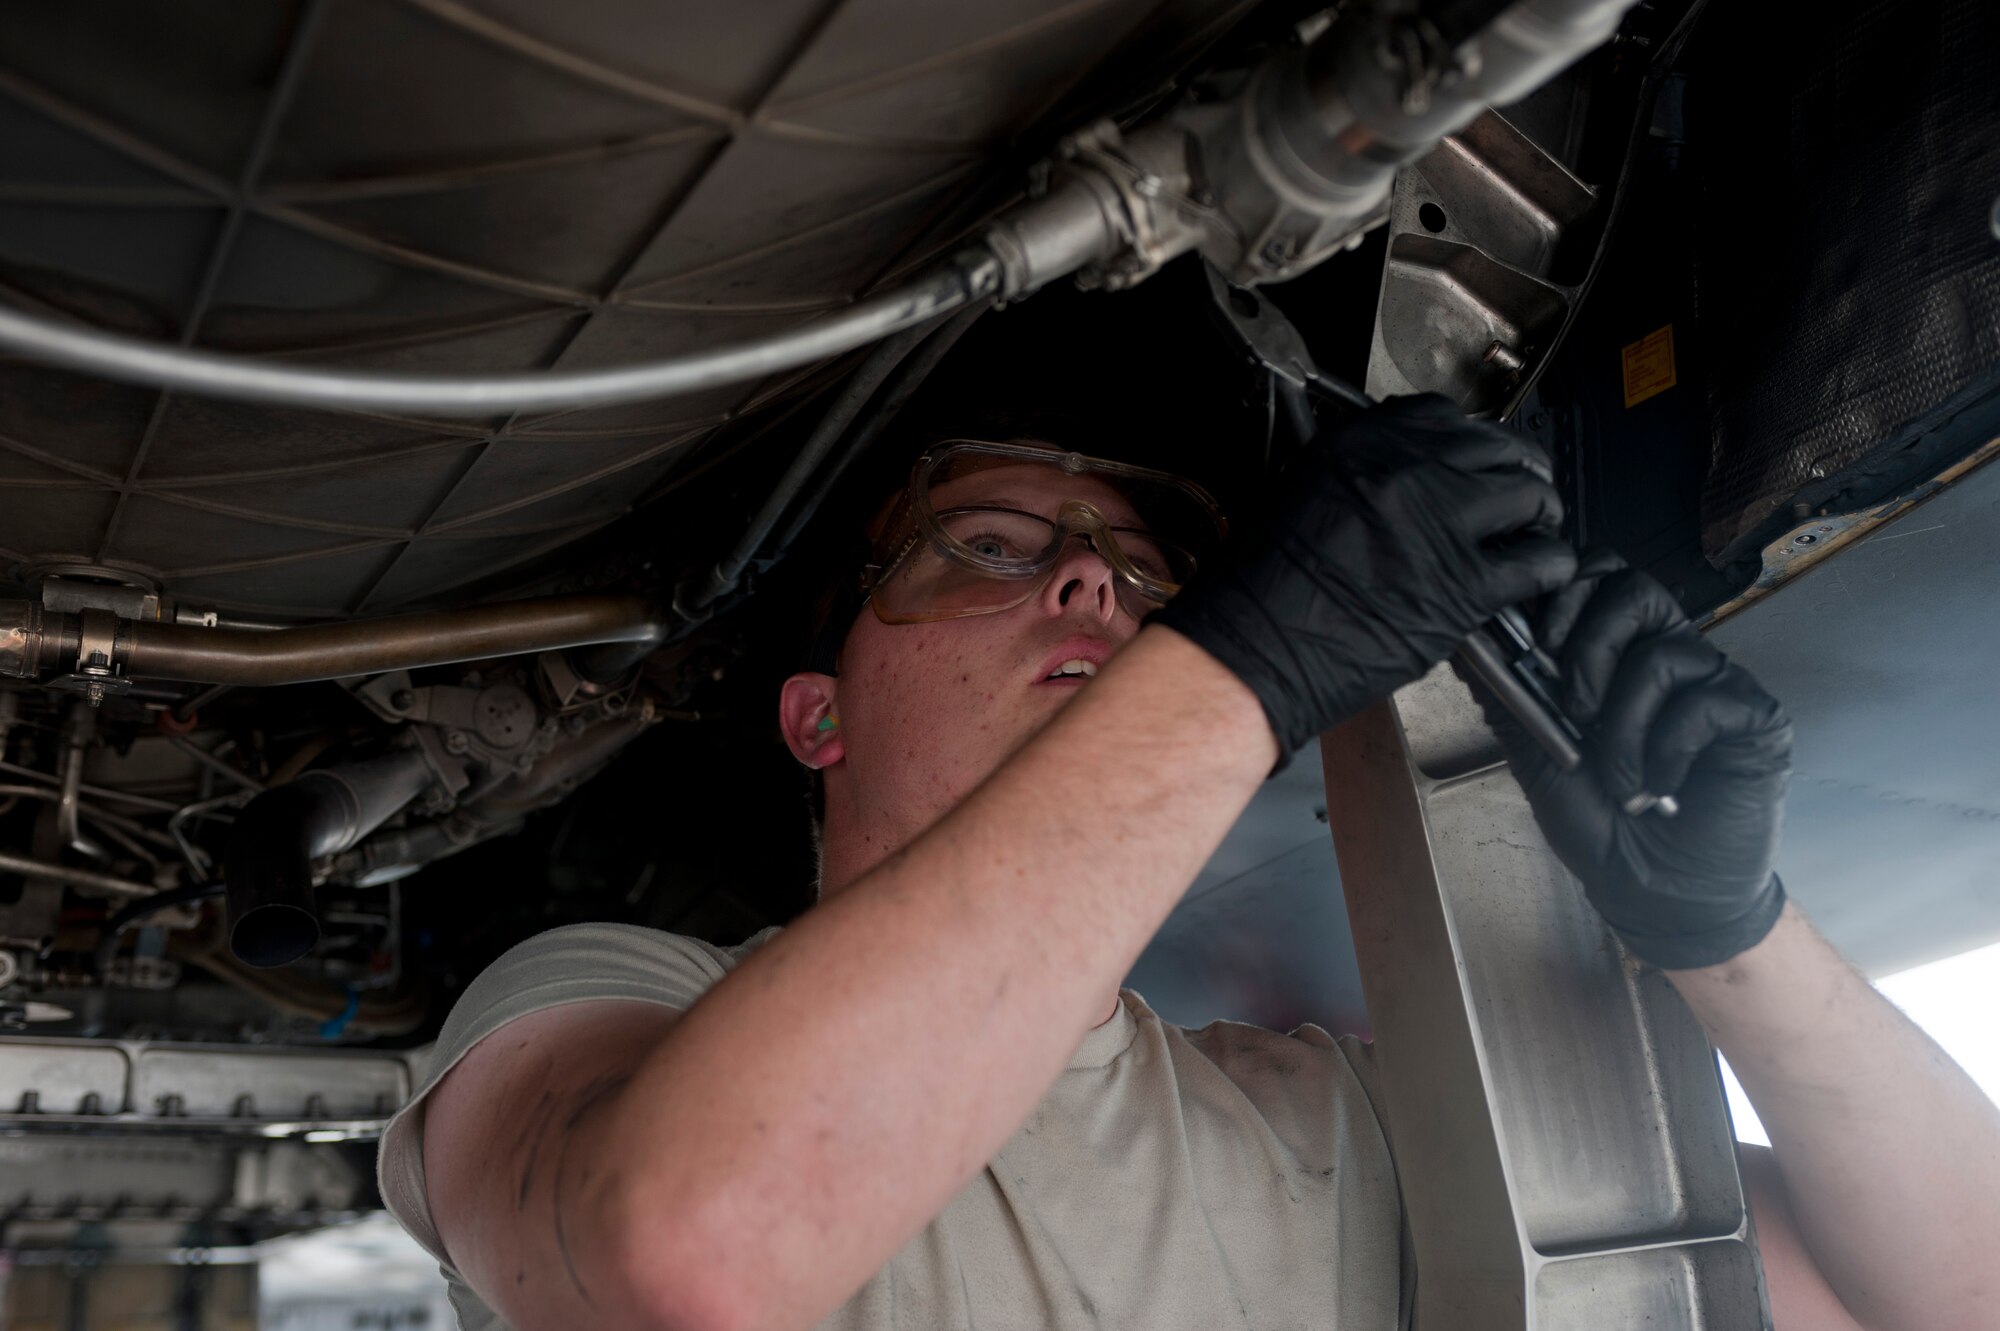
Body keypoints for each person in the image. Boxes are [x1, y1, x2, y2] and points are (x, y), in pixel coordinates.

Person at [378, 396, 2000, 1331]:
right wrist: (1243, 658)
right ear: (819, 719)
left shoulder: (1344, 1122)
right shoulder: (620, 1004)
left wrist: (1733, 938)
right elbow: (690, 1240)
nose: (1092, 586)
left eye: (1140, 580)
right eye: (997, 551)